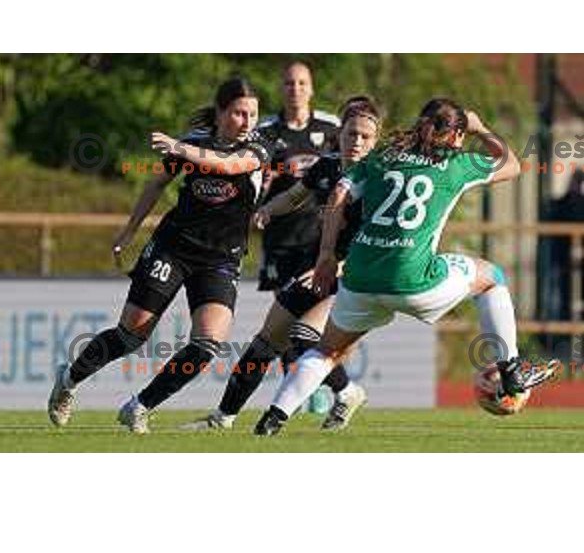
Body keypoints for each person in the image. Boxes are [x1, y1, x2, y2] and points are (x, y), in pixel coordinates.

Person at [254, 98, 560, 436]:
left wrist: (326, 254)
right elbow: (513, 164)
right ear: (456, 135)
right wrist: (481, 128)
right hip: (414, 283)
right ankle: (511, 367)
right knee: (491, 277)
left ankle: (271, 421)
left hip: (359, 279)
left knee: (327, 350)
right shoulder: (456, 163)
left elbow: (339, 193)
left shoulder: (382, 156)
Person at [47, 77, 272, 433]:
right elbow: (155, 184)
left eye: (253, 114)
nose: (247, 122)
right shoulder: (192, 143)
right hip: (173, 248)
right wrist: (129, 232)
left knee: (207, 344)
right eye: (239, 113)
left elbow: (229, 167)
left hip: (220, 258)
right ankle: (69, 380)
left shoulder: (258, 149)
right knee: (131, 335)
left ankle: (139, 406)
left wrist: (180, 148)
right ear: (220, 112)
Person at [181, 96, 380, 433]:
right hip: (322, 266)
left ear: (376, 141)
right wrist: (268, 210)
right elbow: (296, 195)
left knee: (304, 335)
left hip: (359, 275)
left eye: (365, 136)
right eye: (351, 134)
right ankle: (224, 417)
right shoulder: (327, 166)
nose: (356, 141)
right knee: (264, 343)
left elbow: (379, 238)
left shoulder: (380, 179)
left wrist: (338, 266)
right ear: (340, 133)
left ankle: (346, 391)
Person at [257, 61, 340, 293]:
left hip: (320, 236)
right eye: (289, 83)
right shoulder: (265, 129)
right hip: (280, 236)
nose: (296, 88)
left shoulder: (332, 126)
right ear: (281, 88)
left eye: (302, 83)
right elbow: (253, 178)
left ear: (312, 88)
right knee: (284, 308)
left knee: (318, 307)